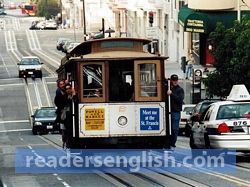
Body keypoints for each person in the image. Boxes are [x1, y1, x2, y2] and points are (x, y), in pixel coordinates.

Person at [167, 74, 184, 150]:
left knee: (174, 128)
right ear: (171, 81)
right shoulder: (168, 87)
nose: (175, 81)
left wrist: (171, 94)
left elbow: (180, 100)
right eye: (173, 80)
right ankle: (168, 143)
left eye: (176, 80)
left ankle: (173, 143)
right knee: (168, 128)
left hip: (175, 112)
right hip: (168, 112)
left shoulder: (180, 90)